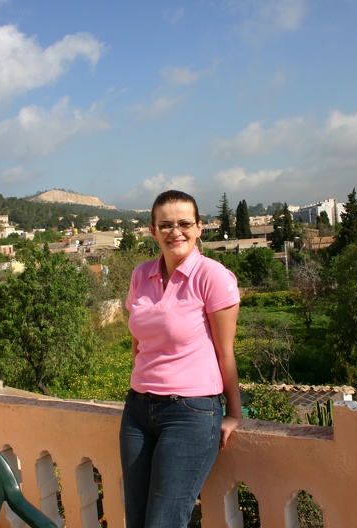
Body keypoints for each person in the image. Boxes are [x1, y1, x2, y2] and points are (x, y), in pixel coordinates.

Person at [119, 189, 242, 527]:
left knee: (164, 522)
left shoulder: (213, 277)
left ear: (200, 228)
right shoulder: (140, 275)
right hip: (138, 412)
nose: (176, 231)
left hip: (190, 413)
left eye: (185, 223)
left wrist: (233, 413)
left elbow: (225, 351)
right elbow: (138, 343)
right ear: (152, 230)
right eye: (166, 224)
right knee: (138, 520)